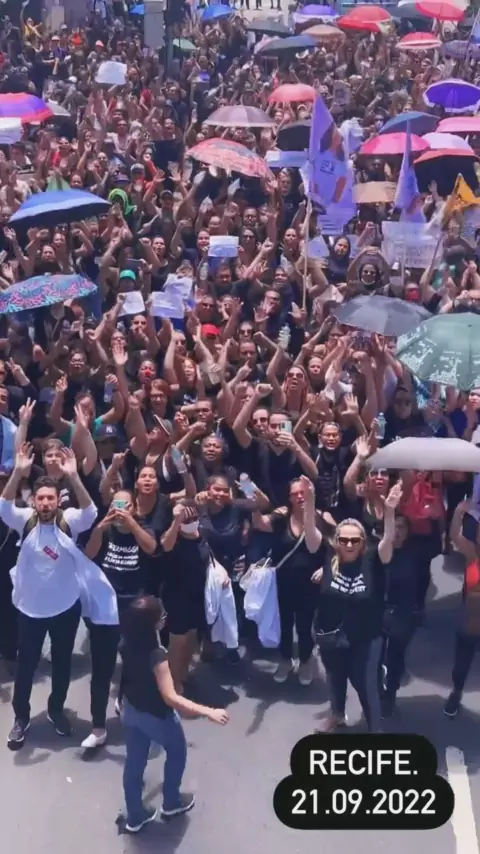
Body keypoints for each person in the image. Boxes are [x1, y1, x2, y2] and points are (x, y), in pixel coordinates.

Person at [0, 444, 99, 748]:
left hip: (65, 610)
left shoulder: (70, 520)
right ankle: (21, 718)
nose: (45, 503)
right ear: (33, 501)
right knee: (26, 667)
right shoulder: (24, 520)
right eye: (40, 498)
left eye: (50, 498)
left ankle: (56, 710)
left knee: (62, 666)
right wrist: (18, 472)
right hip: (29, 612)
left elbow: (91, 512)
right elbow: (3, 507)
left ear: (58, 501)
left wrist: (74, 476)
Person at [120, 595, 228, 833]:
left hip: (131, 710)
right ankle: (171, 802)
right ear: (153, 623)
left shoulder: (127, 642)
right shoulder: (156, 655)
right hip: (157, 716)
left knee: (134, 763)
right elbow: (171, 697)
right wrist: (208, 711)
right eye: (162, 615)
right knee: (177, 751)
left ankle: (135, 816)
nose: (164, 618)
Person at [313, 482, 403, 732]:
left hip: (366, 636)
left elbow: (387, 541)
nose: (349, 544)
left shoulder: (373, 558)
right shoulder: (330, 558)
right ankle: (337, 715)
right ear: (336, 542)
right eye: (344, 540)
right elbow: (311, 532)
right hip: (332, 633)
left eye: (355, 540)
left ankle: (374, 730)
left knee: (365, 684)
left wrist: (390, 511)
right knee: (335, 677)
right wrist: (310, 501)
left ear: (363, 542)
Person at [252, 476, 323, 685]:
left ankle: (305, 660)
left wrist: (325, 569)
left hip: (310, 583)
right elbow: (259, 523)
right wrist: (253, 505)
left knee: (304, 625)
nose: (300, 496)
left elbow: (334, 549)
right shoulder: (281, 517)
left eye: (303, 492)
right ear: (289, 498)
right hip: (283, 582)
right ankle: (285, 659)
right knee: (284, 624)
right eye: (295, 494)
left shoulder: (321, 518)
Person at [443, 500, 480, 718]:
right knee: (461, 666)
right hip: (469, 623)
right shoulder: (472, 553)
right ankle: (456, 692)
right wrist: (458, 511)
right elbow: (455, 535)